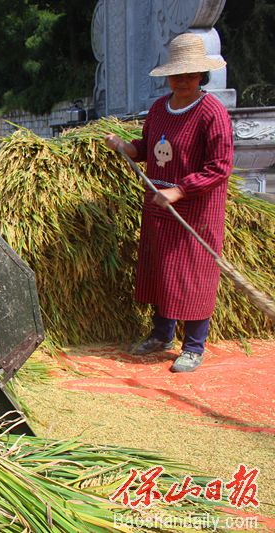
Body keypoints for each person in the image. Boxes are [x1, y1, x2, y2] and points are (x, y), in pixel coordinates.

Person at [105, 32, 233, 373]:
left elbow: (220, 167)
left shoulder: (212, 113)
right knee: (162, 272)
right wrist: (125, 147)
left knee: (193, 275)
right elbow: (147, 148)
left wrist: (181, 190)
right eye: (177, 75)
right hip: (159, 207)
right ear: (169, 76)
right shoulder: (160, 109)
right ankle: (162, 335)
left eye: (190, 75)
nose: (183, 81)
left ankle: (193, 346)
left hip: (196, 210)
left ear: (201, 76)